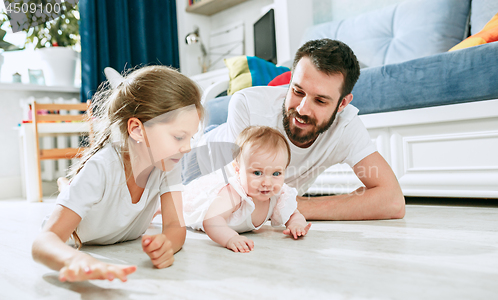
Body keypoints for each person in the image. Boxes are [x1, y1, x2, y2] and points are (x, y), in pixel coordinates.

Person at [183, 39, 405, 221]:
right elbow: (242, 195)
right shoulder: (248, 106)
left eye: (320, 100)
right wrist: (281, 205)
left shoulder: (346, 126)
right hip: (195, 161)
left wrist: (295, 205)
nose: (302, 110)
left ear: (342, 104)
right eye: (298, 91)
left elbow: (393, 201)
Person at [32, 65, 203, 282]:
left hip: (119, 225)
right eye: (179, 137)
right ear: (137, 130)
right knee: (73, 190)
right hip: (84, 231)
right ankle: (65, 186)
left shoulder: (167, 163)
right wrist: (73, 260)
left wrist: (167, 244)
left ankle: (66, 186)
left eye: (191, 137)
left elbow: (174, 226)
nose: (187, 148)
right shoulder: (101, 167)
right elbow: (43, 241)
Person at [183, 126, 312, 252]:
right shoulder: (234, 193)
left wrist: (296, 225)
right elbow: (211, 221)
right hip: (196, 205)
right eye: (257, 173)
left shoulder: (278, 195)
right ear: (238, 170)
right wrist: (230, 238)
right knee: (178, 203)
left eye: (276, 174)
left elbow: (294, 214)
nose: (267, 182)